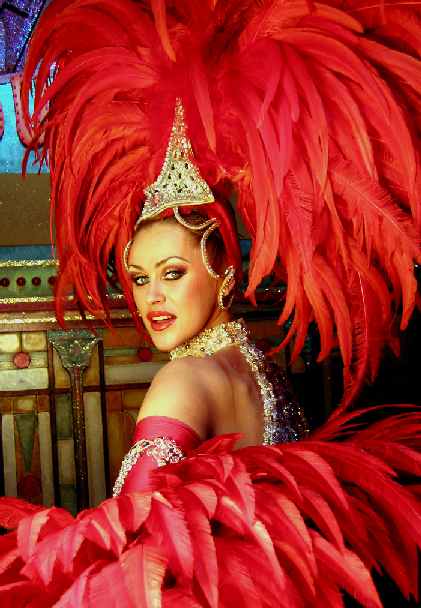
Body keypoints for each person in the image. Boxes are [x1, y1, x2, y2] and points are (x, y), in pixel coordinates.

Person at [0, 1, 421, 606]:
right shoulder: (255, 368)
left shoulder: (183, 381)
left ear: (222, 271)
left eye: (172, 273)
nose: (152, 299)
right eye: (138, 278)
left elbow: (130, 566)